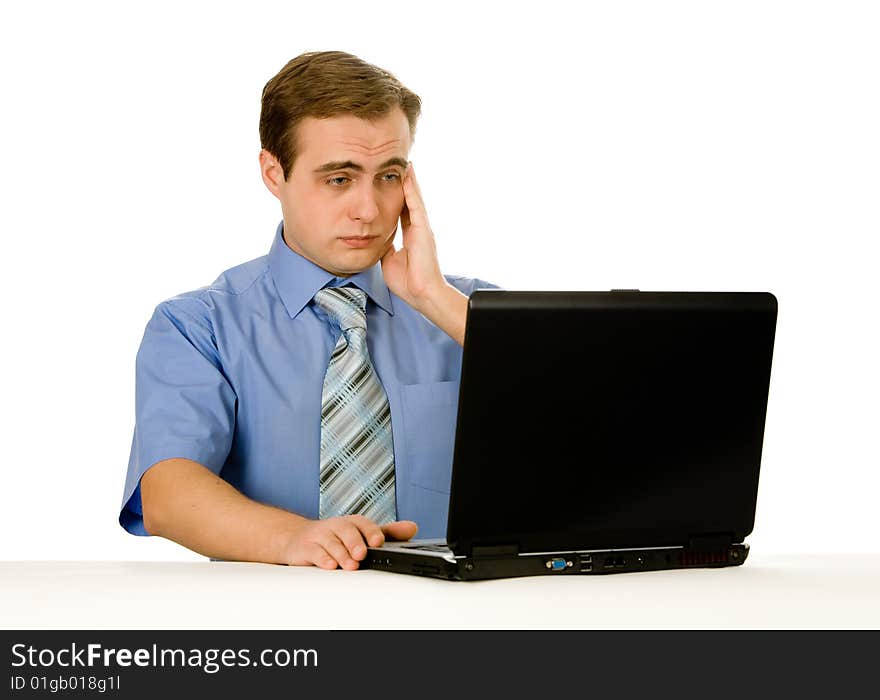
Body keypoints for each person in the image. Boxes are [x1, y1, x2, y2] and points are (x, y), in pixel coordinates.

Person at [118, 51, 500, 570]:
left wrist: (434, 298)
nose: (368, 210)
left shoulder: (470, 313)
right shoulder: (197, 327)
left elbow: (596, 430)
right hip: (272, 626)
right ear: (274, 174)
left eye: (388, 176)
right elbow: (167, 493)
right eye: (339, 179)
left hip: (455, 621)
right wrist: (297, 540)